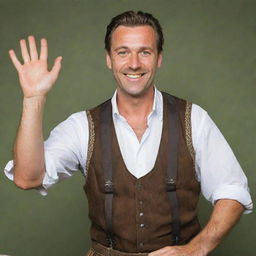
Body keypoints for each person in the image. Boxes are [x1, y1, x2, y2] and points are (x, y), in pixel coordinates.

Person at [4, 10, 252, 256]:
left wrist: (196, 248)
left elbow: (232, 192)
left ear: (159, 58)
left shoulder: (193, 119)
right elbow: (28, 178)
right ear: (109, 59)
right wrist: (33, 99)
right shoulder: (82, 126)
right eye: (123, 52)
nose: (134, 63)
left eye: (145, 52)